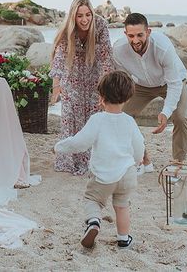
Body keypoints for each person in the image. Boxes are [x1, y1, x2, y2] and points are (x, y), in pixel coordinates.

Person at [54, 71, 144, 249]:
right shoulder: (129, 121)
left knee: (92, 200)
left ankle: (94, 222)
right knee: (122, 206)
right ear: (127, 98)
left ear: (101, 96)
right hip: (127, 173)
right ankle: (124, 239)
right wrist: (137, 160)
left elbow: (79, 143)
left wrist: (58, 147)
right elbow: (139, 145)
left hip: (104, 175)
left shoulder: (98, 120)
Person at [112, 13, 187, 168]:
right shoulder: (118, 50)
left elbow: (174, 83)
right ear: (125, 34)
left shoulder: (163, 47)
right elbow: (124, 78)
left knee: (181, 118)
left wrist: (165, 112)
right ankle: (143, 160)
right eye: (131, 36)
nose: (135, 40)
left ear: (148, 32)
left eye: (140, 35)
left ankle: (178, 163)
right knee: (120, 118)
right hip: (140, 86)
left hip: (171, 83)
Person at [49, 0, 114, 175]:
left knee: (94, 118)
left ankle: (93, 160)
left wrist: (105, 89)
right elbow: (60, 58)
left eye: (88, 15)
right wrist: (56, 86)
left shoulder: (100, 26)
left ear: (92, 14)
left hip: (94, 77)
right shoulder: (67, 31)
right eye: (79, 16)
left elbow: (106, 58)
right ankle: (69, 160)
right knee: (70, 119)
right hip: (73, 76)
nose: (84, 20)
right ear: (73, 17)